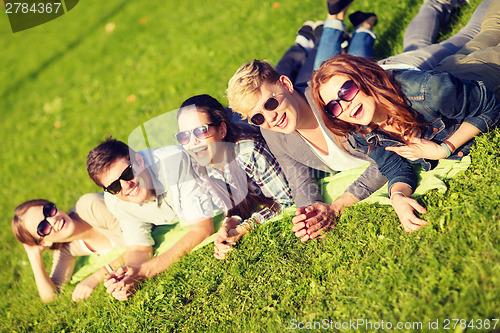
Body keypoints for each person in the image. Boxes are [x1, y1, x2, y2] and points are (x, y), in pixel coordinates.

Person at [226, 0, 487, 240]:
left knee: (468, 37)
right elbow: (300, 180)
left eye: (270, 103)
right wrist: (310, 214)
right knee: (418, 43)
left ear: (285, 83)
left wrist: (339, 204)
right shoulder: (274, 133)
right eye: (258, 116)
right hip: (402, 79)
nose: (271, 117)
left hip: (398, 78)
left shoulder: (335, 105)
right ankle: (436, 4)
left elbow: (387, 155)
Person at [310, 2, 500, 231]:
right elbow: (395, 168)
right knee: (489, 30)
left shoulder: (427, 93)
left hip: (487, 72)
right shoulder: (363, 131)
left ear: (364, 78)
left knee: (491, 30)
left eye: (346, 91)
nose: (345, 105)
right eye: (334, 106)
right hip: (453, 70)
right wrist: (397, 197)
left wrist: (444, 148)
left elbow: (490, 105)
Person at [86, 138, 214, 300]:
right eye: (114, 187)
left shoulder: (174, 163)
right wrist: (128, 274)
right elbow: (140, 247)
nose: (126, 186)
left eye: (127, 174)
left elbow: (202, 229)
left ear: (139, 160)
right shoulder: (114, 200)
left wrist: (145, 271)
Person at [176, 94, 293, 259]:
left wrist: (244, 228)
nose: (192, 142)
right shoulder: (199, 164)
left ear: (222, 130)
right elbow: (235, 204)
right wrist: (228, 225)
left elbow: (287, 200)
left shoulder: (248, 152)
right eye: (184, 136)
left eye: (201, 131)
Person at [12, 193, 126, 302]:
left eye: (48, 211)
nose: (53, 220)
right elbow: (51, 297)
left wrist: (96, 277)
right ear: (43, 243)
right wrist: (34, 256)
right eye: (43, 227)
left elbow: (140, 247)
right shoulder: (67, 248)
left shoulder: (90, 206)